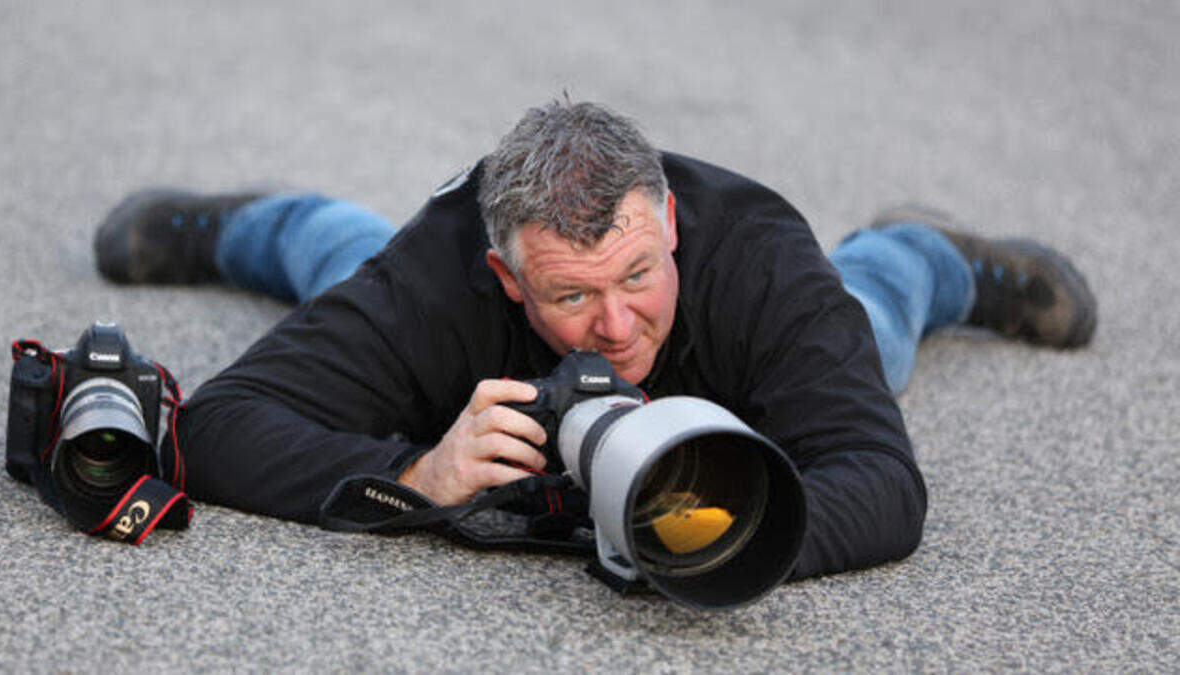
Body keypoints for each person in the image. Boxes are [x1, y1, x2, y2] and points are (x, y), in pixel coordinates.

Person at [93, 100, 1095, 581]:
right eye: (571, 296)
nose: (616, 327)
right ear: (509, 279)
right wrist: (416, 475)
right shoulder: (443, 282)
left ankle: (927, 251)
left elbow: (883, 483)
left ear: (669, 227)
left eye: (637, 276)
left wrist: (719, 530)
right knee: (345, 261)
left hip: (772, 327)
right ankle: (247, 222)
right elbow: (217, 425)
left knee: (872, 322)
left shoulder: (760, 268)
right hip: (435, 286)